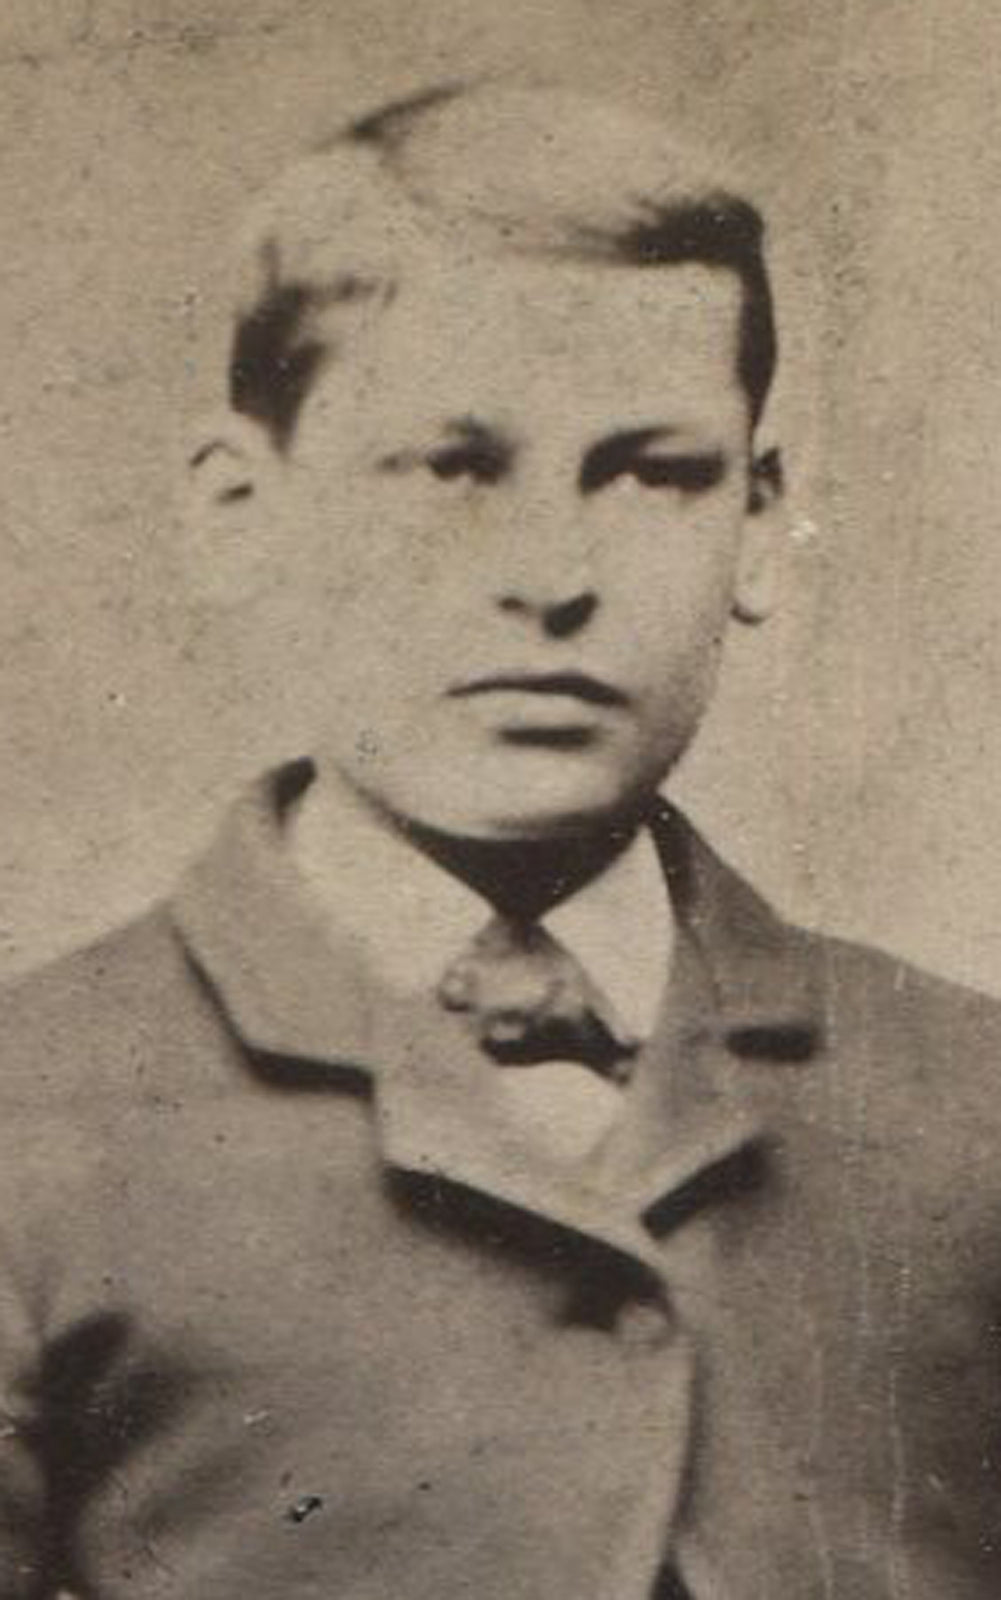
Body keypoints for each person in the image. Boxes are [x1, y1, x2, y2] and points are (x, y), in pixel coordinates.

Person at [1, 78, 999, 1600]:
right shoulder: (33, 1126)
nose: (550, 574)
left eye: (653, 472)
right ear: (239, 508)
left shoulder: (967, 1111)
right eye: (450, 469)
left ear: (758, 519)